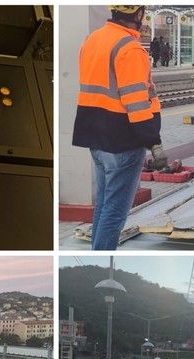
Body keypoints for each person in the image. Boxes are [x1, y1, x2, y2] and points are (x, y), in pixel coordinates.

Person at [73, 5, 165, 250]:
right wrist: (154, 142)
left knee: (103, 207)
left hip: (96, 137)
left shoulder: (92, 40)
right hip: (122, 142)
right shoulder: (129, 48)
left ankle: (97, 252)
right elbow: (136, 103)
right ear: (138, 14)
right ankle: (102, 256)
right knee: (114, 214)